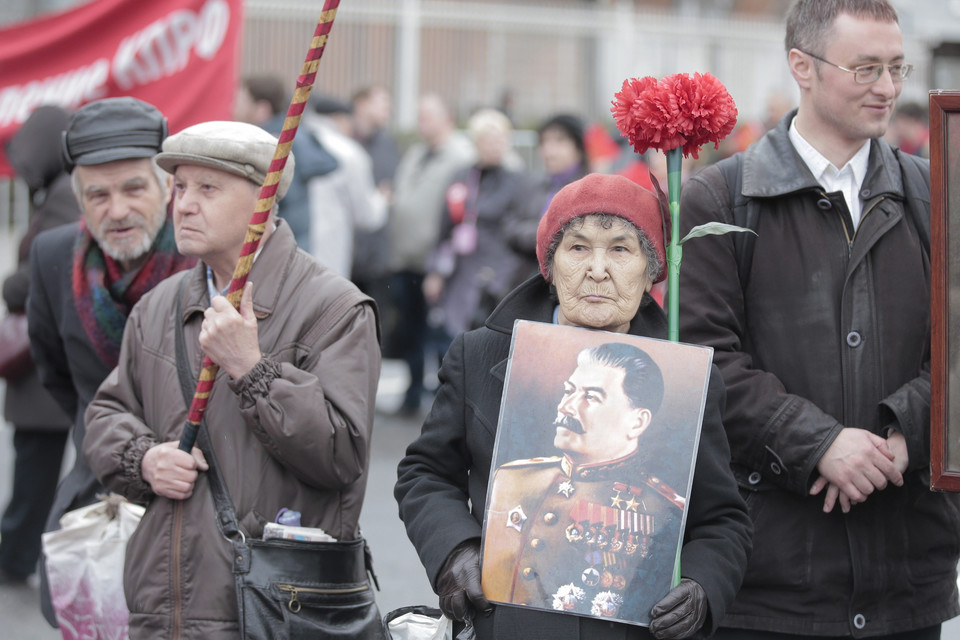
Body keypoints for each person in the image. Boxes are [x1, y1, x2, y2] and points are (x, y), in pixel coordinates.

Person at [677, 1, 960, 638]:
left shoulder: (936, 191)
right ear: (801, 66)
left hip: (905, 571)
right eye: (865, 69)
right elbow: (702, 362)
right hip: (766, 575)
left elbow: (959, 347)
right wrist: (818, 444)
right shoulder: (722, 198)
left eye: (896, 68)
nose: (886, 88)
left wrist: (903, 433)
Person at [396, 173, 752, 640]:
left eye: (621, 249)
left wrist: (702, 587)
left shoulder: (687, 380)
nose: (598, 269)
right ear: (550, 263)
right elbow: (425, 473)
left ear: (651, 271)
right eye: (578, 247)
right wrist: (455, 552)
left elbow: (723, 520)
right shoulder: (479, 356)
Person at [82, 120, 381, 638]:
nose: (183, 204)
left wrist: (253, 369)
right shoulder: (158, 307)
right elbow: (107, 414)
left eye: (208, 188)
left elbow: (341, 454)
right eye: (179, 187)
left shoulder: (334, 308)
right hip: (164, 608)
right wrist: (144, 459)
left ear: (263, 203)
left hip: (273, 610)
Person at [27, 96, 195, 625]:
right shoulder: (52, 255)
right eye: (97, 194)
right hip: (97, 494)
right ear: (78, 198)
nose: (116, 210)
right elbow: (58, 374)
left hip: (195, 499)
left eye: (133, 188)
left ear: (167, 187)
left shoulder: (204, 255)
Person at [482, 342, 690, 620]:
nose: (566, 406)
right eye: (569, 391)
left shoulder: (663, 509)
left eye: (591, 397)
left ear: (637, 422)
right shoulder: (510, 479)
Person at [0, 105, 78, 585]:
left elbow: (48, 270)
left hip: (47, 355)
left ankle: (17, 553)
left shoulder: (65, 197)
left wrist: (12, 284)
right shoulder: (62, 190)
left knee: (36, 464)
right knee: (37, 460)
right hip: (49, 354)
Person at [388, 93, 474, 414]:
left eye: (427, 116)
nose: (420, 122)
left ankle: (444, 405)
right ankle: (411, 395)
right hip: (405, 259)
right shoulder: (415, 153)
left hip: (437, 263)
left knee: (439, 334)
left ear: (446, 117)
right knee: (410, 331)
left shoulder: (460, 156)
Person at [423, 108, 526, 345]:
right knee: (454, 334)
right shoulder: (461, 176)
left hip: (498, 271)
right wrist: (435, 271)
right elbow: (445, 225)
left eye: (499, 140)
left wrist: (504, 277)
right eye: (486, 140)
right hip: (461, 268)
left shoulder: (517, 182)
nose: (493, 146)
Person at [233, 74, 338, 251]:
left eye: (242, 101)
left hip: (278, 246)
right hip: (293, 244)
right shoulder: (294, 134)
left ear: (262, 108)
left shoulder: (273, 144)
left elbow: (282, 196)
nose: (234, 107)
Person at [303, 94, 388, 278]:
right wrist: (382, 199)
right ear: (340, 119)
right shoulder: (349, 153)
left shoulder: (289, 144)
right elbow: (367, 216)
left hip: (287, 254)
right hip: (329, 258)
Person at [505, 113, 589, 287]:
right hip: (527, 280)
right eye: (545, 142)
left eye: (559, 141)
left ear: (578, 146)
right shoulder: (531, 185)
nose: (549, 151)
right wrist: (539, 236)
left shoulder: (589, 188)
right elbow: (510, 226)